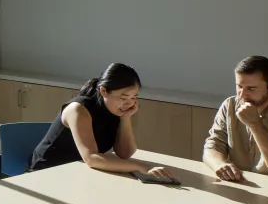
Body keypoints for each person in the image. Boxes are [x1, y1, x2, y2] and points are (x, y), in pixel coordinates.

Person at [28, 63, 173, 180]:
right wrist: (141, 166)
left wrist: (125, 118)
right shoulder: (78, 109)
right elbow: (92, 158)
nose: (129, 103)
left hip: (79, 172)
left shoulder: (115, 110)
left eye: (134, 97)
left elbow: (125, 153)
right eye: (123, 97)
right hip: (45, 173)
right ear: (104, 91)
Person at [203, 56, 268, 185]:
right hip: (244, 186)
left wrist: (255, 125)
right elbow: (213, 144)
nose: (242, 95)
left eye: (251, 89)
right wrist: (220, 164)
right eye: (239, 86)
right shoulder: (230, 105)